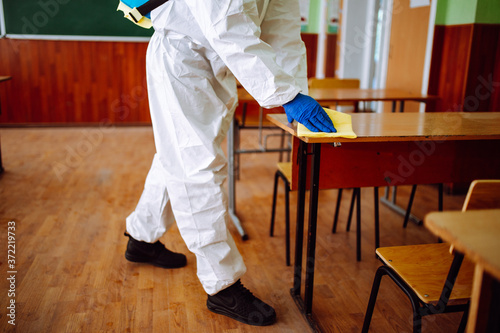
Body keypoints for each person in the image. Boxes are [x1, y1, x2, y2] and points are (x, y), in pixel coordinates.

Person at [120, 0, 336, 326]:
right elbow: (226, 24)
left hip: (217, 62)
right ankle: (222, 285)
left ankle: (141, 236)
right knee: (198, 167)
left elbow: (283, 32)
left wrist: (295, 92)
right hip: (183, 58)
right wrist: (285, 95)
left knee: (180, 157)